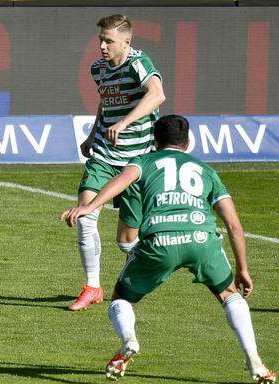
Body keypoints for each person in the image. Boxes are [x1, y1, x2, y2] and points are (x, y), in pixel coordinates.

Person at [60, 115, 276, 383]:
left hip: (159, 242)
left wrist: (89, 207)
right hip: (201, 241)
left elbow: (121, 181)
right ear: (187, 143)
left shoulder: (143, 161)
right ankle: (255, 360)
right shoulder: (206, 170)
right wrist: (243, 269)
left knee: (121, 299)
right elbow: (234, 225)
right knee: (229, 294)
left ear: (155, 140)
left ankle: (129, 339)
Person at [68, 14, 166, 310]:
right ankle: (92, 287)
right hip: (104, 156)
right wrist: (93, 134)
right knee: (85, 216)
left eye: (108, 40)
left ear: (127, 41)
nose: (101, 46)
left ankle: (140, 275)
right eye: (100, 39)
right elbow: (106, 100)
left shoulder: (138, 62)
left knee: (126, 242)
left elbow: (157, 95)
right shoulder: (98, 68)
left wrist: (124, 122)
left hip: (136, 162)